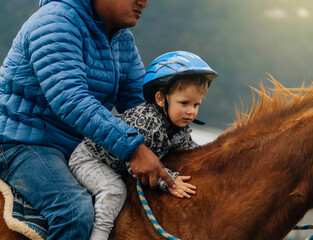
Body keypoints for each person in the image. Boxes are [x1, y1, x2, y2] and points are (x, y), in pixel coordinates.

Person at [0, 0, 176, 239]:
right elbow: (71, 99)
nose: (143, 2)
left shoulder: (121, 39)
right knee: (73, 213)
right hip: (23, 140)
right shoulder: (55, 21)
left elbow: (139, 107)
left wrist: (180, 147)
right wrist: (134, 149)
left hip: (76, 147)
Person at [68, 51, 218, 240]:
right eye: (184, 103)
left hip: (116, 164)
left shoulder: (178, 126)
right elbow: (144, 166)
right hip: (89, 159)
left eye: (196, 105)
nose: (190, 111)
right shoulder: (148, 124)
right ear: (161, 99)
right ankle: (98, 236)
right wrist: (170, 182)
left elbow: (189, 149)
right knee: (114, 191)